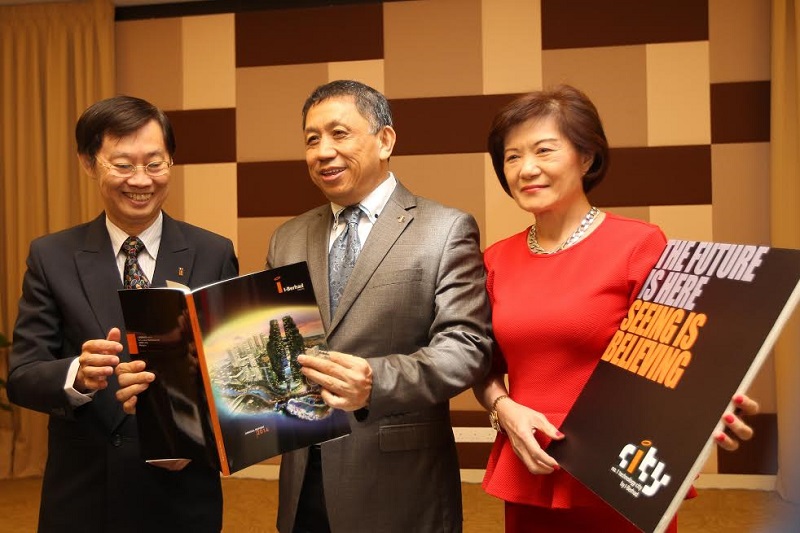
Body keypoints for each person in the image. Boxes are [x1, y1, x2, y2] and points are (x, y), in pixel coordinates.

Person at [472, 85, 760, 532]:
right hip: (532, 460)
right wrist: (503, 409)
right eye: (512, 157)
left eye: (544, 150)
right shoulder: (495, 260)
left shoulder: (639, 244)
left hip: (622, 464)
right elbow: (482, 366)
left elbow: (672, 358)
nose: (526, 168)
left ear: (586, 158)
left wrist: (705, 404)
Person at [266, 79, 492, 533]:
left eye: (339, 134)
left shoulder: (445, 229)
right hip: (304, 479)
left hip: (400, 483)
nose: (323, 151)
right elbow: (276, 345)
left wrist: (375, 382)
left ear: (385, 140)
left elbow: (466, 347)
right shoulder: (287, 238)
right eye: (312, 139)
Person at [7, 95, 239, 533]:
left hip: (183, 490)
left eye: (155, 163)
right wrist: (77, 375)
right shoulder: (52, 256)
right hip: (87, 492)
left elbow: (232, 372)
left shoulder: (213, 252)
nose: (141, 180)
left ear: (171, 162)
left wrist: (198, 437)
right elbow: (22, 375)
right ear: (89, 163)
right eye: (123, 165)